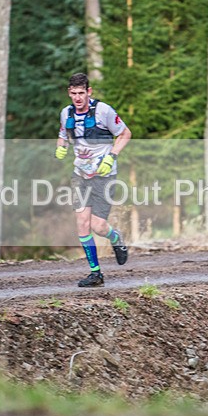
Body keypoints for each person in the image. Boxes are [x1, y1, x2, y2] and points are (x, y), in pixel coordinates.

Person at [55, 72, 132, 287]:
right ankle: (95, 273)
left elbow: (125, 134)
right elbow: (63, 135)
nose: (78, 98)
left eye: (81, 93)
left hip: (104, 175)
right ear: (69, 93)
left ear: (89, 92)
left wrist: (112, 156)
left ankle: (115, 238)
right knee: (82, 223)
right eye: (73, 93)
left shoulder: (103, 111)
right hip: (80, 175)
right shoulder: (66, 113)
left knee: (98, 226)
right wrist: (60, 147)